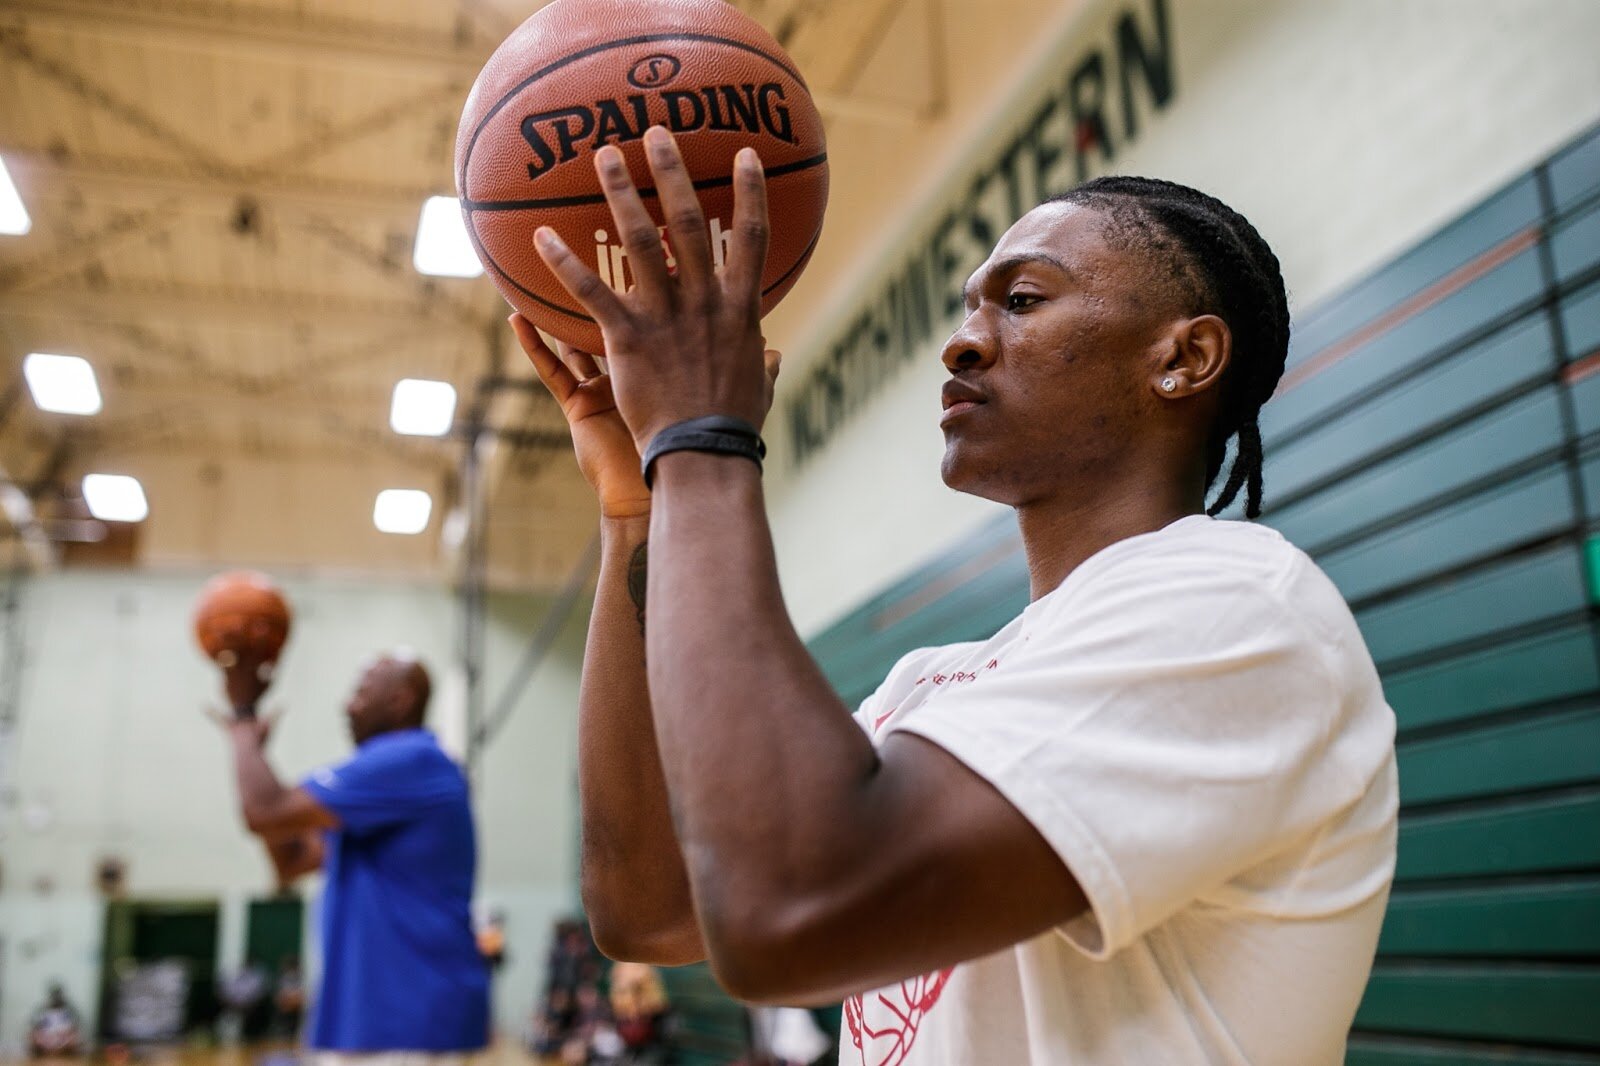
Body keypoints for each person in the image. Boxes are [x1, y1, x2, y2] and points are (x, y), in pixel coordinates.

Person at [509, 125, 1398, 1066]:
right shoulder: (930, 686)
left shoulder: (1236, 605)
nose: (962, 343)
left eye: (1021, 299)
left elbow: (793, 911)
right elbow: (650, 907)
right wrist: (639, 508)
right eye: (970, 306)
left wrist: (700, 440)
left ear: (1184, 357)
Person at [215, 651, 489, 1063]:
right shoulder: (384, 794)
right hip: (366, 1020)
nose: (347, 705)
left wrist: (241, 723)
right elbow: (290, 861)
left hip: (407, 1016)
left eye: (361, 693)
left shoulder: (412, 759)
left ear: (401, 700)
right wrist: (258, 750)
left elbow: (263, 811)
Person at [28, 983, 84, 1058]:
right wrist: (46, 1038)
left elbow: (75, 1029)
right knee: (33, 1037)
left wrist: (63, 1036)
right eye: (54, 995)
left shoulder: (71, 1011)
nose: (56, 998)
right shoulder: (41, 1011)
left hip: (64, 1039)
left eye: (58, 995)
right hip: (46, 1040)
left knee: (75, 1039)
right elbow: (35, 1029)